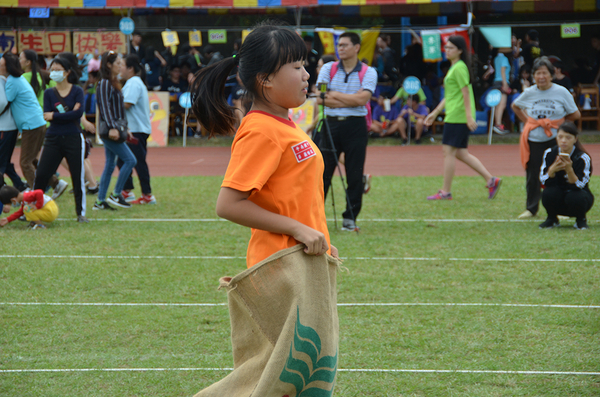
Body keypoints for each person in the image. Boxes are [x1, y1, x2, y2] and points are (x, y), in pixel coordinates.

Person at [189, 23, 338, 393]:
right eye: (297, 67)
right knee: (280, 378)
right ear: (266, 80)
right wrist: (298, 229)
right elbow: (229, 203)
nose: (307, 75)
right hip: (281, 267)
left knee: (299, 374)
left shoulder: (284, 124)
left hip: (305, 262)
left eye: (305, 65)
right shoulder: (261, 130)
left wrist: (317, 235)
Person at [424, 35, 502, 201]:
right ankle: (491, 180)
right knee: (460, 153)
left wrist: (468, 117)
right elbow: (451, 94)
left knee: (448, 152)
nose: (447, 50)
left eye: (451, 47)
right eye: (446, 47)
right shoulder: (455, 67)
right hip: (455, 114)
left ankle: (445, 191)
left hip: (457, 116)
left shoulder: (459, 68)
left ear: (460, 50)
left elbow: (466, 93)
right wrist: (435, 112)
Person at [316, 31, 377, 232]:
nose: (340, 48)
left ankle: (350, 219)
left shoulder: (368, 72)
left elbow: (362, 100)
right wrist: (349, 97)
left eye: (344, 45)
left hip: (355, 126)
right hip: (330, 124)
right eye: (338, 45)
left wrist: (333, 95)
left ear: (356, 47)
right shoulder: (327, 68)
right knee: (321, 173)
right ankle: (314, 217)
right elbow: (320, 97)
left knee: (354, 173)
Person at [511, 56, 580, 219]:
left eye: (544, 73)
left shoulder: (561, 91)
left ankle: (563, 209)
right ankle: (531, 208)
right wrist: (529, 122)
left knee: (560, 170)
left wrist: (560, 125)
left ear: (552, 74)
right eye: (537, 73)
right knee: (532, 173)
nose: (541, 77)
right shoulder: (529, 92)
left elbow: (575, 114)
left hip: (556, 140)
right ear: (533, 76)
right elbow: (515, 106)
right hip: (534, 140)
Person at [33, 56, 88, 223]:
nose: (54, 73)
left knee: (77, 176)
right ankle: (34, 211)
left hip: (73, 137)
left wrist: (56, 115)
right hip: (53, 138)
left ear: (67, 72)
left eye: (58, 70)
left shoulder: (77, 90)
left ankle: (81, 213)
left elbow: (77, 114)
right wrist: (68, 113)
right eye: (52, 70)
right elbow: (47, 115)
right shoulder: (50, 93)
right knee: (41, 175)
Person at [94, 52, 137, 210]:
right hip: (110, 130)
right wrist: (113, 127)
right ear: (108, 65)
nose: (120, 66)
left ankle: (100, 201)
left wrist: (125, 128)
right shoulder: (105, 83)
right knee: (130, 160)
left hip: (115, 128)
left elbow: (118, 110)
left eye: (121, 63)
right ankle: (116, 194)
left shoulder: (113, 82)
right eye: (117, 63)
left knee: (110, 165)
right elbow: (105, 108)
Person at [1, 52, 47, 190]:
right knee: (31, 160)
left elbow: (4, 102)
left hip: (30, 124)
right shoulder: (17, 79)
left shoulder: (11, 82)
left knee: (25, 162)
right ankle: (55, 182)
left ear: (7, 67)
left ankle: (37, 192)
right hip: (36, 122)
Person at [539, 122, 593, 230]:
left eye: (568, 137)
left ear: (575, 139)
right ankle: (552, 219)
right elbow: (543, 180)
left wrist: (569, 170)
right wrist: (552, 170)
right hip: (557, 196)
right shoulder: (549, 153)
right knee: (548, 192)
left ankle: (580, 220)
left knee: (577, 196)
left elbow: (580, 185)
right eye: (560, 137)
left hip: (577, 197)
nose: (563, 141)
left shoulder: (582, 157)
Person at [117, 54, 156, 205]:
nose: (119, 68)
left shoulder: (133, 83)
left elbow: (127, 103)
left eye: (122, 65)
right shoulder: (133, 82)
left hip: (136, 130)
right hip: (135, 129)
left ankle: (147, 194)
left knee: (137, 161)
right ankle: (127, 191)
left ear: (130, 68)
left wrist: (110, 103)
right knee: (123, 159)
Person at [491, 48, 512, 135]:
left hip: (496, 82)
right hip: (502, 82)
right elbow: (503, 71)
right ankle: (498, 125)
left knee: (497, 105)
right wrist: (505, 84)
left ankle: (497, 124)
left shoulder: (496, 58)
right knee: (502, 104)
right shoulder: (504, 59)